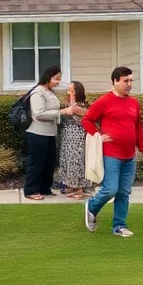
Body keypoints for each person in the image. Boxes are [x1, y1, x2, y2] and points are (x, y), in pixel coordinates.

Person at [82, 66, 143, 237]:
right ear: (114, 82)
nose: (129, 84)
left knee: (124, 192)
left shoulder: (134, 103)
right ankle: (92, 206)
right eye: (125, 81)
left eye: (131, 81)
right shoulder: (104, 101)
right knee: (111, 189)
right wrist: (98, 136)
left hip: (129, 155)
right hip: (111, 153)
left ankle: (119, 226)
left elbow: (138, 128)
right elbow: (87, 120)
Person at [25, 65, 81, 201]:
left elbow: (54, 109)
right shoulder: (38, 92)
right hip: (37, 133)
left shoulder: (49, 92)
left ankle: (45, 188)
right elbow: (39, 114)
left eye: (60, 79)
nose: (58, 82)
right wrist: (63, 112)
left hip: (50, 133)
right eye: (56, 79)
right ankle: (31, 190)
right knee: (36, 163)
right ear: (48, 77)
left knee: (49, 162)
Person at [59, 81, 91, 199]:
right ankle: (71, 185)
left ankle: (79, 189)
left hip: (77, 136)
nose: (69, 90)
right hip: (67, 136)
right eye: (69, 88)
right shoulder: (68, 103)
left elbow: (84, 117)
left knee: (76, 160)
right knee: (67, 160)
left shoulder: (80, 105)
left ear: (77, 91)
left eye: (72, 89)